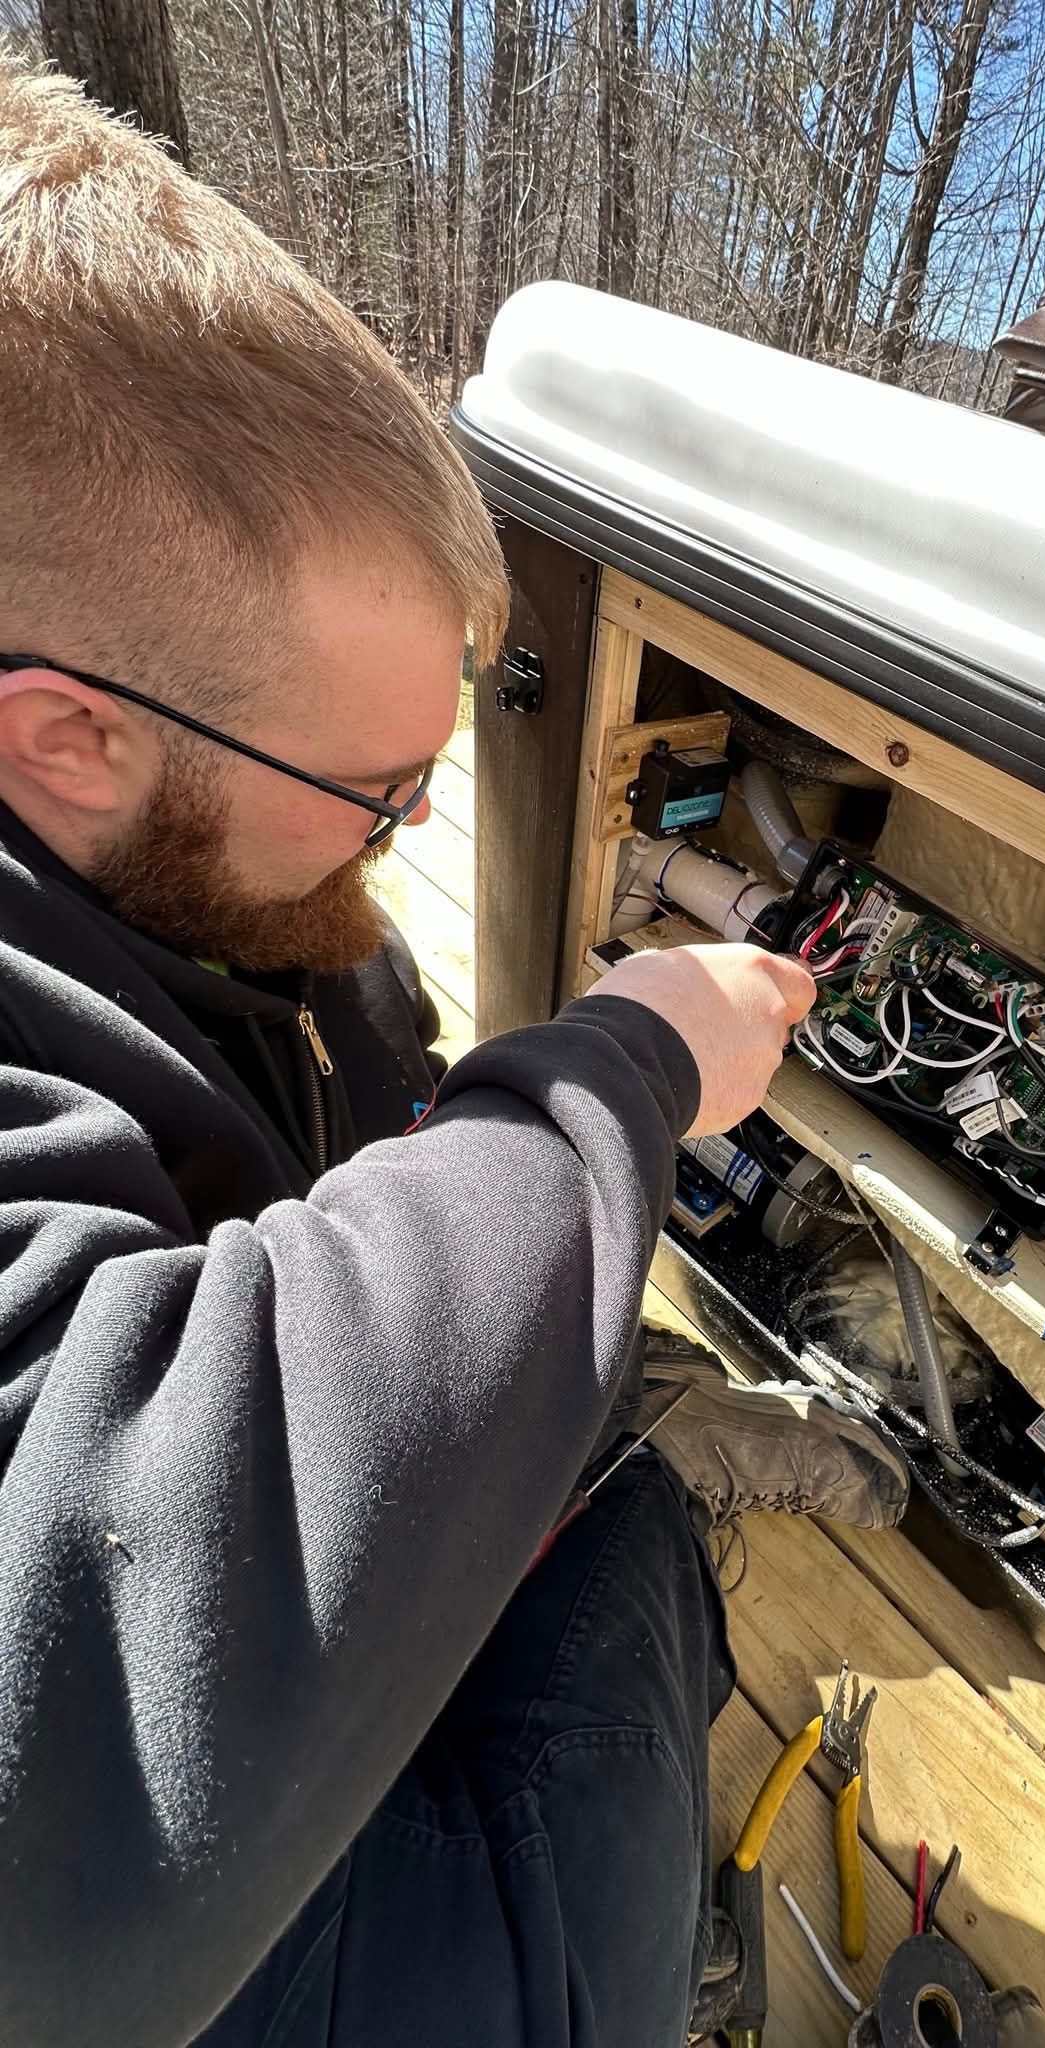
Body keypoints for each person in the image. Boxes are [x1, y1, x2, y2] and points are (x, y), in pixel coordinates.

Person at [0, 59, 907, 2048]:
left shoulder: (210, 875)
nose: (409, 836)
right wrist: (617, 1075)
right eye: (374, 785)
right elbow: (80, 1758)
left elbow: (371, 1106)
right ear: (73, 732)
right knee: (631, 1574)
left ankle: (594, 1428)